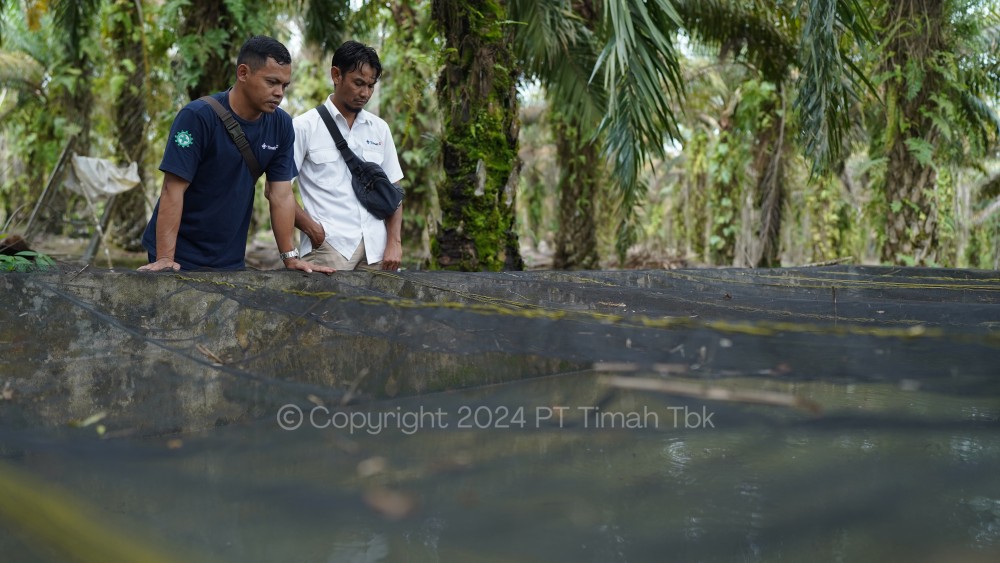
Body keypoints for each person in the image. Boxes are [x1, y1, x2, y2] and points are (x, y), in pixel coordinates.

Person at [139, 35, 331, 274]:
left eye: (284, 85)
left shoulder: (281, 125)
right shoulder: (197, 117)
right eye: (271, 82)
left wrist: (290, 258)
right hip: (180, 253)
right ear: (243, 73)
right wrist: (165, 258)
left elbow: (281, 196)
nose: (279, 92)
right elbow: (172, 189)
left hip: (229, 256)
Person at [291, 40, 404, 271]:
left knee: (378, 308)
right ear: (336, 75)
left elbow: (394, 189)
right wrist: (313, 230)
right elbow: (276, 191)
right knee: (323, 308)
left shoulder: (379, 128)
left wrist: (394, 241)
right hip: (329, 248)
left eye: (371, 86)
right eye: (358, 83)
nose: (365, 93)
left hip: (377, 249)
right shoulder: (303, 127)